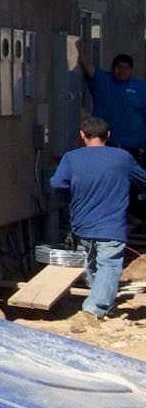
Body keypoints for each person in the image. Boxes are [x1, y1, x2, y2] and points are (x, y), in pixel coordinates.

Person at [50, 115, 146, 330]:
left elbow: (58, 185)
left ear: (82, 135)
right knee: (107, 266)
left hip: (82, 224)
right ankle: (96, 308)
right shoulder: (122, 158)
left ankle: (98, 305)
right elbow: (143, 180)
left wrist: (70, 199)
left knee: (92, 266)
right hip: (112, 226)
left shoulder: (71, 158)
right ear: (108, 135)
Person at [76, 47, 146, 158]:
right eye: (119, 67)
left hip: (134, 150)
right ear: (112, 68)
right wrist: (79, 47)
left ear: (131, 70)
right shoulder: (102, 81)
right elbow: (87, 66)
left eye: (126, 68)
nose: (122, 71)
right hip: (105, 147)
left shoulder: (141, 88)